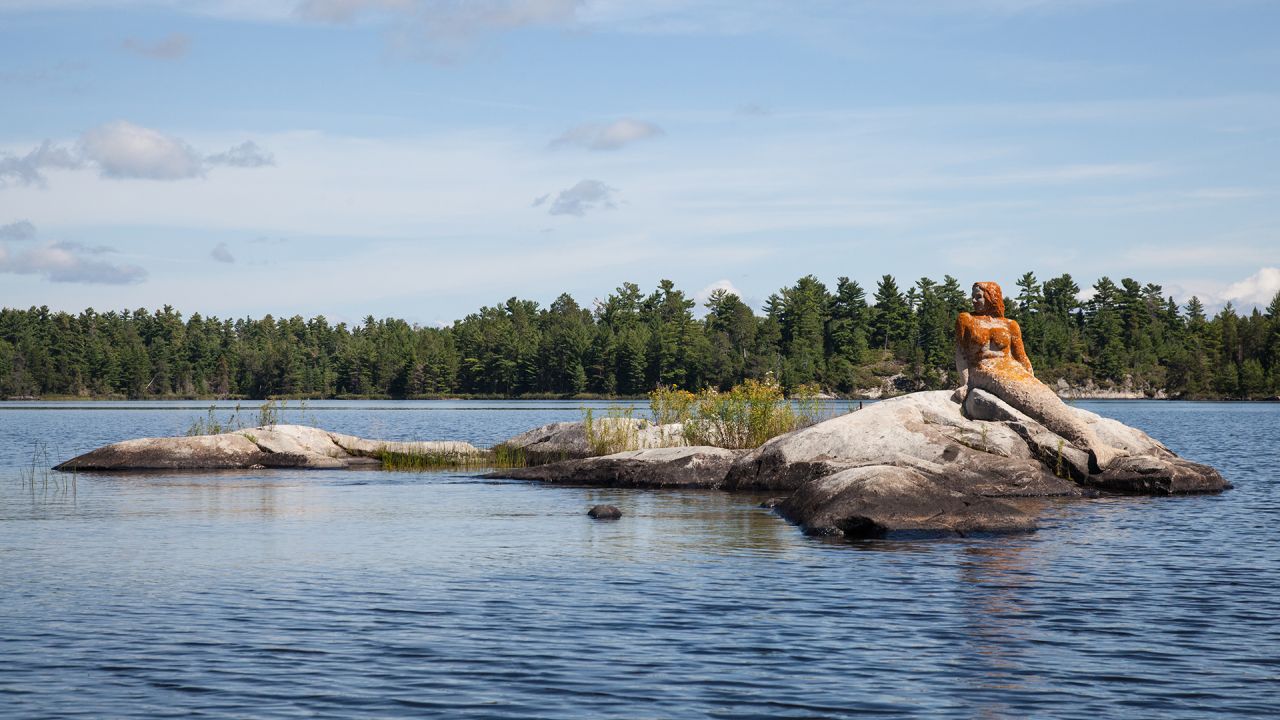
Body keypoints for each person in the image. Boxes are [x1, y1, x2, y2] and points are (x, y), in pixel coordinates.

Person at [954, 281, 1117, 473]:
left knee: (1046, 399)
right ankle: (1088, 442)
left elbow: (1022, 358)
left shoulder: (1010, 324)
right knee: (1027, 398)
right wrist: (965, 383)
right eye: (973, 296)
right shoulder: (965, 319)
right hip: (984, 370)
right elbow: (961, 355)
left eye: (978, 296)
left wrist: (1031, 379)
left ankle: (1093, 443)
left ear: (991, 297)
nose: (974, 300)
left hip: (1013, 370)